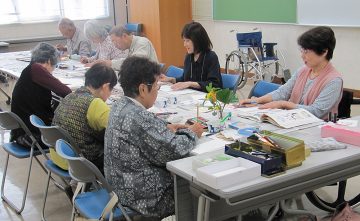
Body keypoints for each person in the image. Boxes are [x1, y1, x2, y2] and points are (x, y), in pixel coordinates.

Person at [104, 56, 203, 219]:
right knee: (197, 188)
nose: (157, 90)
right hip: (145, 199)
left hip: (119, 191)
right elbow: (176, 150)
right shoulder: (139, 118)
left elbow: (145, 131)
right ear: (143, 89)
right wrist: (193, 132)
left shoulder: (119, 105)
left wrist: (164, 128)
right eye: (156, 86)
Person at [239, 26, 343, 119]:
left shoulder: (334, 81)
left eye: (306, 51)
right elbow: (283, 92)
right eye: (302, 50)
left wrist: (284, 104)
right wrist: (257, 101)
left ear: (324, 51)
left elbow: (317, 112)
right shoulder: (303, 70)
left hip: (315, 129)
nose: (302, 55)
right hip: (292, 121)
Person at [52, 63, 117, 172]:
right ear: (105, 87)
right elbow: (119, 130)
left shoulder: (70, 96)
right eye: (111, 90)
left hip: (59, 155)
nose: (110, 94)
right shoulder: (96, 103)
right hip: (80, 163)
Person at [11, 42, 72, 147]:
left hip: (22, 131)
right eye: (54, 65)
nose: (53, 70)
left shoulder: (30, 69)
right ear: (48, 61)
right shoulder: (37, 70)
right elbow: (66, 91)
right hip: (32, 136)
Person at [160, 21, 222, 92]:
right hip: (192, 97)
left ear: (198, 40)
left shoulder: (211, 57)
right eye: (184, 41)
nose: (184, 44)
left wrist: (190, 84)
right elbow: (185, 79)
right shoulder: (188, 57)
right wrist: (171, 79)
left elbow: (215, 84)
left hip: (207, 98)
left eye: (188, 41)